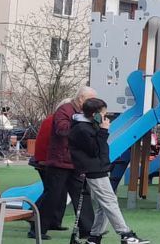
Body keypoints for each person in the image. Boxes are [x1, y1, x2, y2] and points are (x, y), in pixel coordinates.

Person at [68, 97, 148, 244]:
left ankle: (94, 237)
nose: (105, 116)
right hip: (93, 169)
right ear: (95, 114)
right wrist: (103, 131)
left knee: (104, 203)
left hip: (98, 167)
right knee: (109, 201)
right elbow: (94, 150)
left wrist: (101, 130)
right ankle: (125, 234)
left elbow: (99, 149)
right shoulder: (82, 129)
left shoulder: (89, 125)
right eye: (103, 113)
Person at [44, 88, 96, 237]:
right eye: (91, 100)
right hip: (60, 161)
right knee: (53, 195)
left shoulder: (84, 113)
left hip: (75, 161)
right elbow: (61, 130)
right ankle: (38, 228)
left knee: (82, 195)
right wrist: (81, 123)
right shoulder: (64, 110)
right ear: (81, 99)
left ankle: (88, 230)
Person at [29, 115, 56, 240]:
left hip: (43, 160)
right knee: (51, 193)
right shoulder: (56, 122)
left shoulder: (50, 120)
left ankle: (34, 215)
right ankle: (34, 217)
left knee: (51, 192)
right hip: (47, 161)